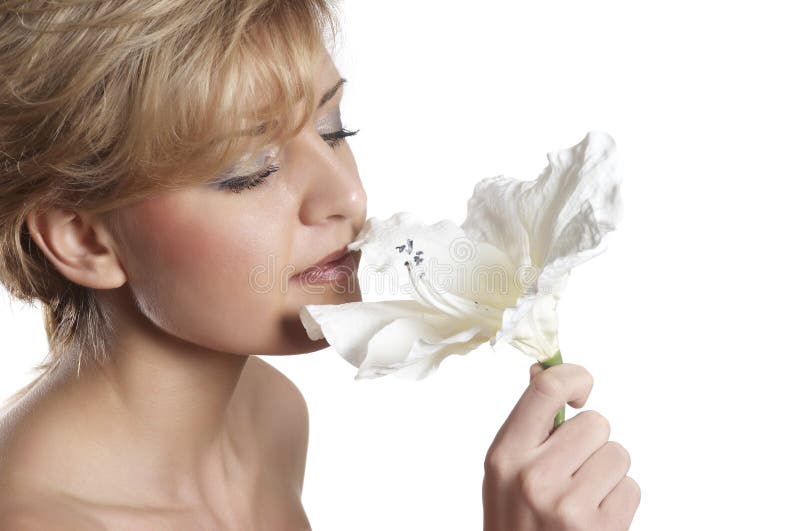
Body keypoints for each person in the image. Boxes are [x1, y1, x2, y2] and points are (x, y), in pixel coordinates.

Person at [0, 1, 640, 529]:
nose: (348, 198)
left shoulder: (269, 416)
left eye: (334, 130)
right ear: (85, 240)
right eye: (249, 170)